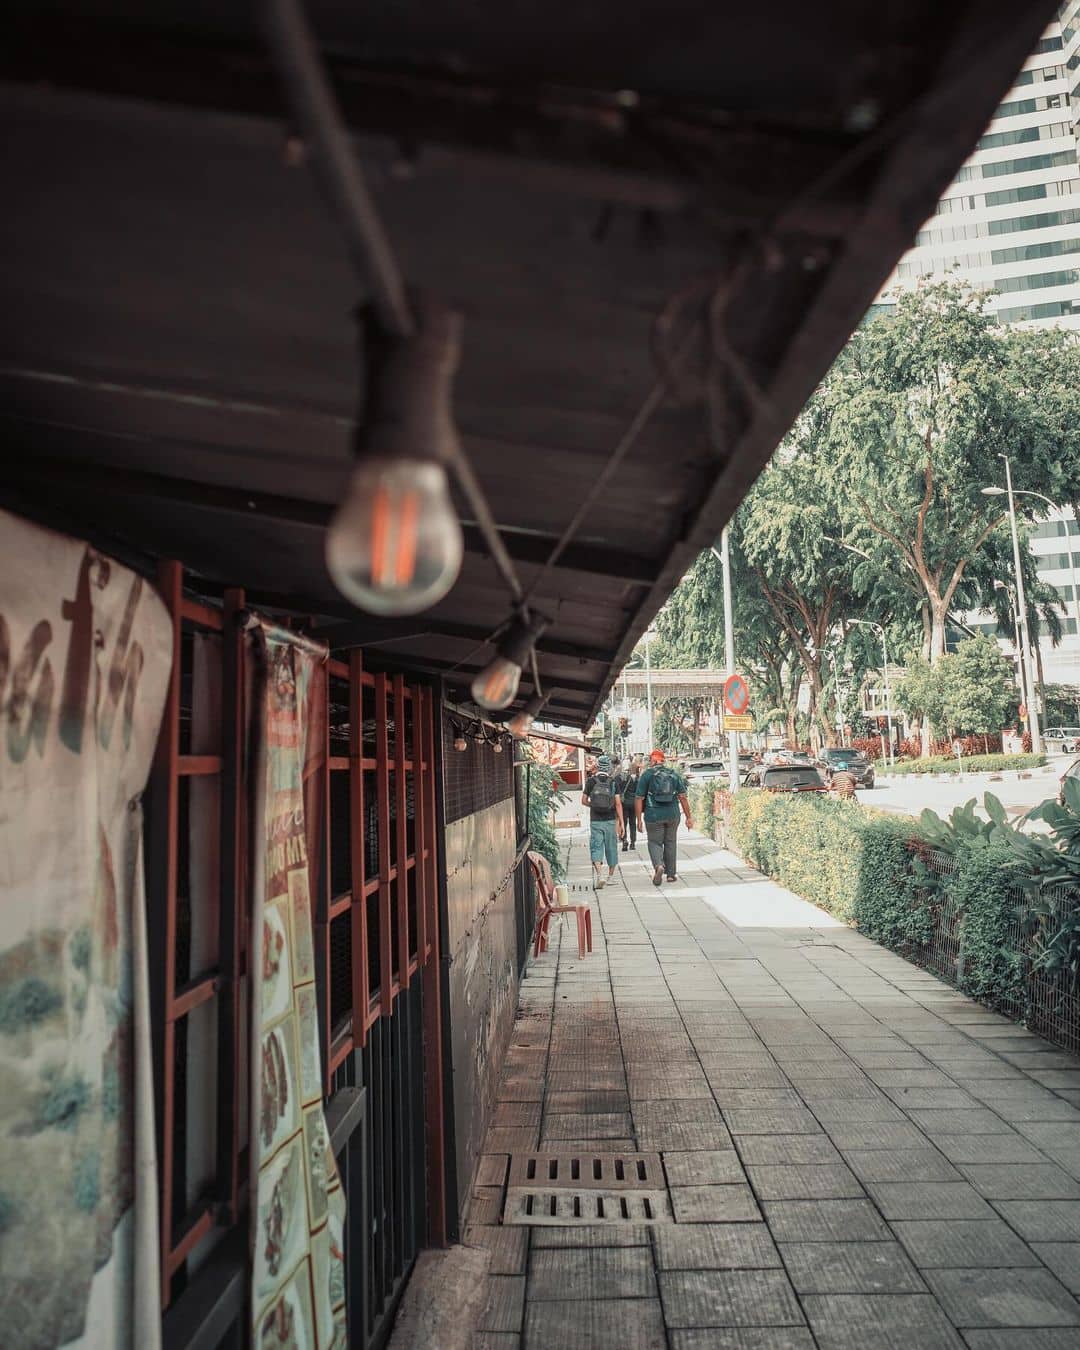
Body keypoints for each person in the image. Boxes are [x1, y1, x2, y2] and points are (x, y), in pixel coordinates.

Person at [636, 749, 692, 886]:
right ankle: (671, 875)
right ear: (663, 760)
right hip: (673, 814)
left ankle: (659, 866)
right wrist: (689, 817)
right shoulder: (673, 775)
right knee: (671, 842)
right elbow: (683, 797)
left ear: (653, 761)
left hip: (653, 815)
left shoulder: (647, 775)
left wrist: (638, 819)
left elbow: (639, 798)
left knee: (654, 842)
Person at [582, 753, 624, 888]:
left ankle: (599, 875)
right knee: (611, 848)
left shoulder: (591, 781)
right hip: (610, 820)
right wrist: (621, 822)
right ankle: (610, 878)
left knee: (596, 847)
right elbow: (618, 803)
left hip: (595, 821)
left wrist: (593, 806)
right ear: (609, 767)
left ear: (598, 766)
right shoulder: (613, 782)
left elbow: (583, 801)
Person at [614, 757, 641, 851]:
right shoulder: (637, 779)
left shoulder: (621, 778)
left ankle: (624, 840)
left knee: (623, 823)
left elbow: (617, 790)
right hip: (634, 804)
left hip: (624, 804)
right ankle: (633, 842)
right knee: (633, 823)